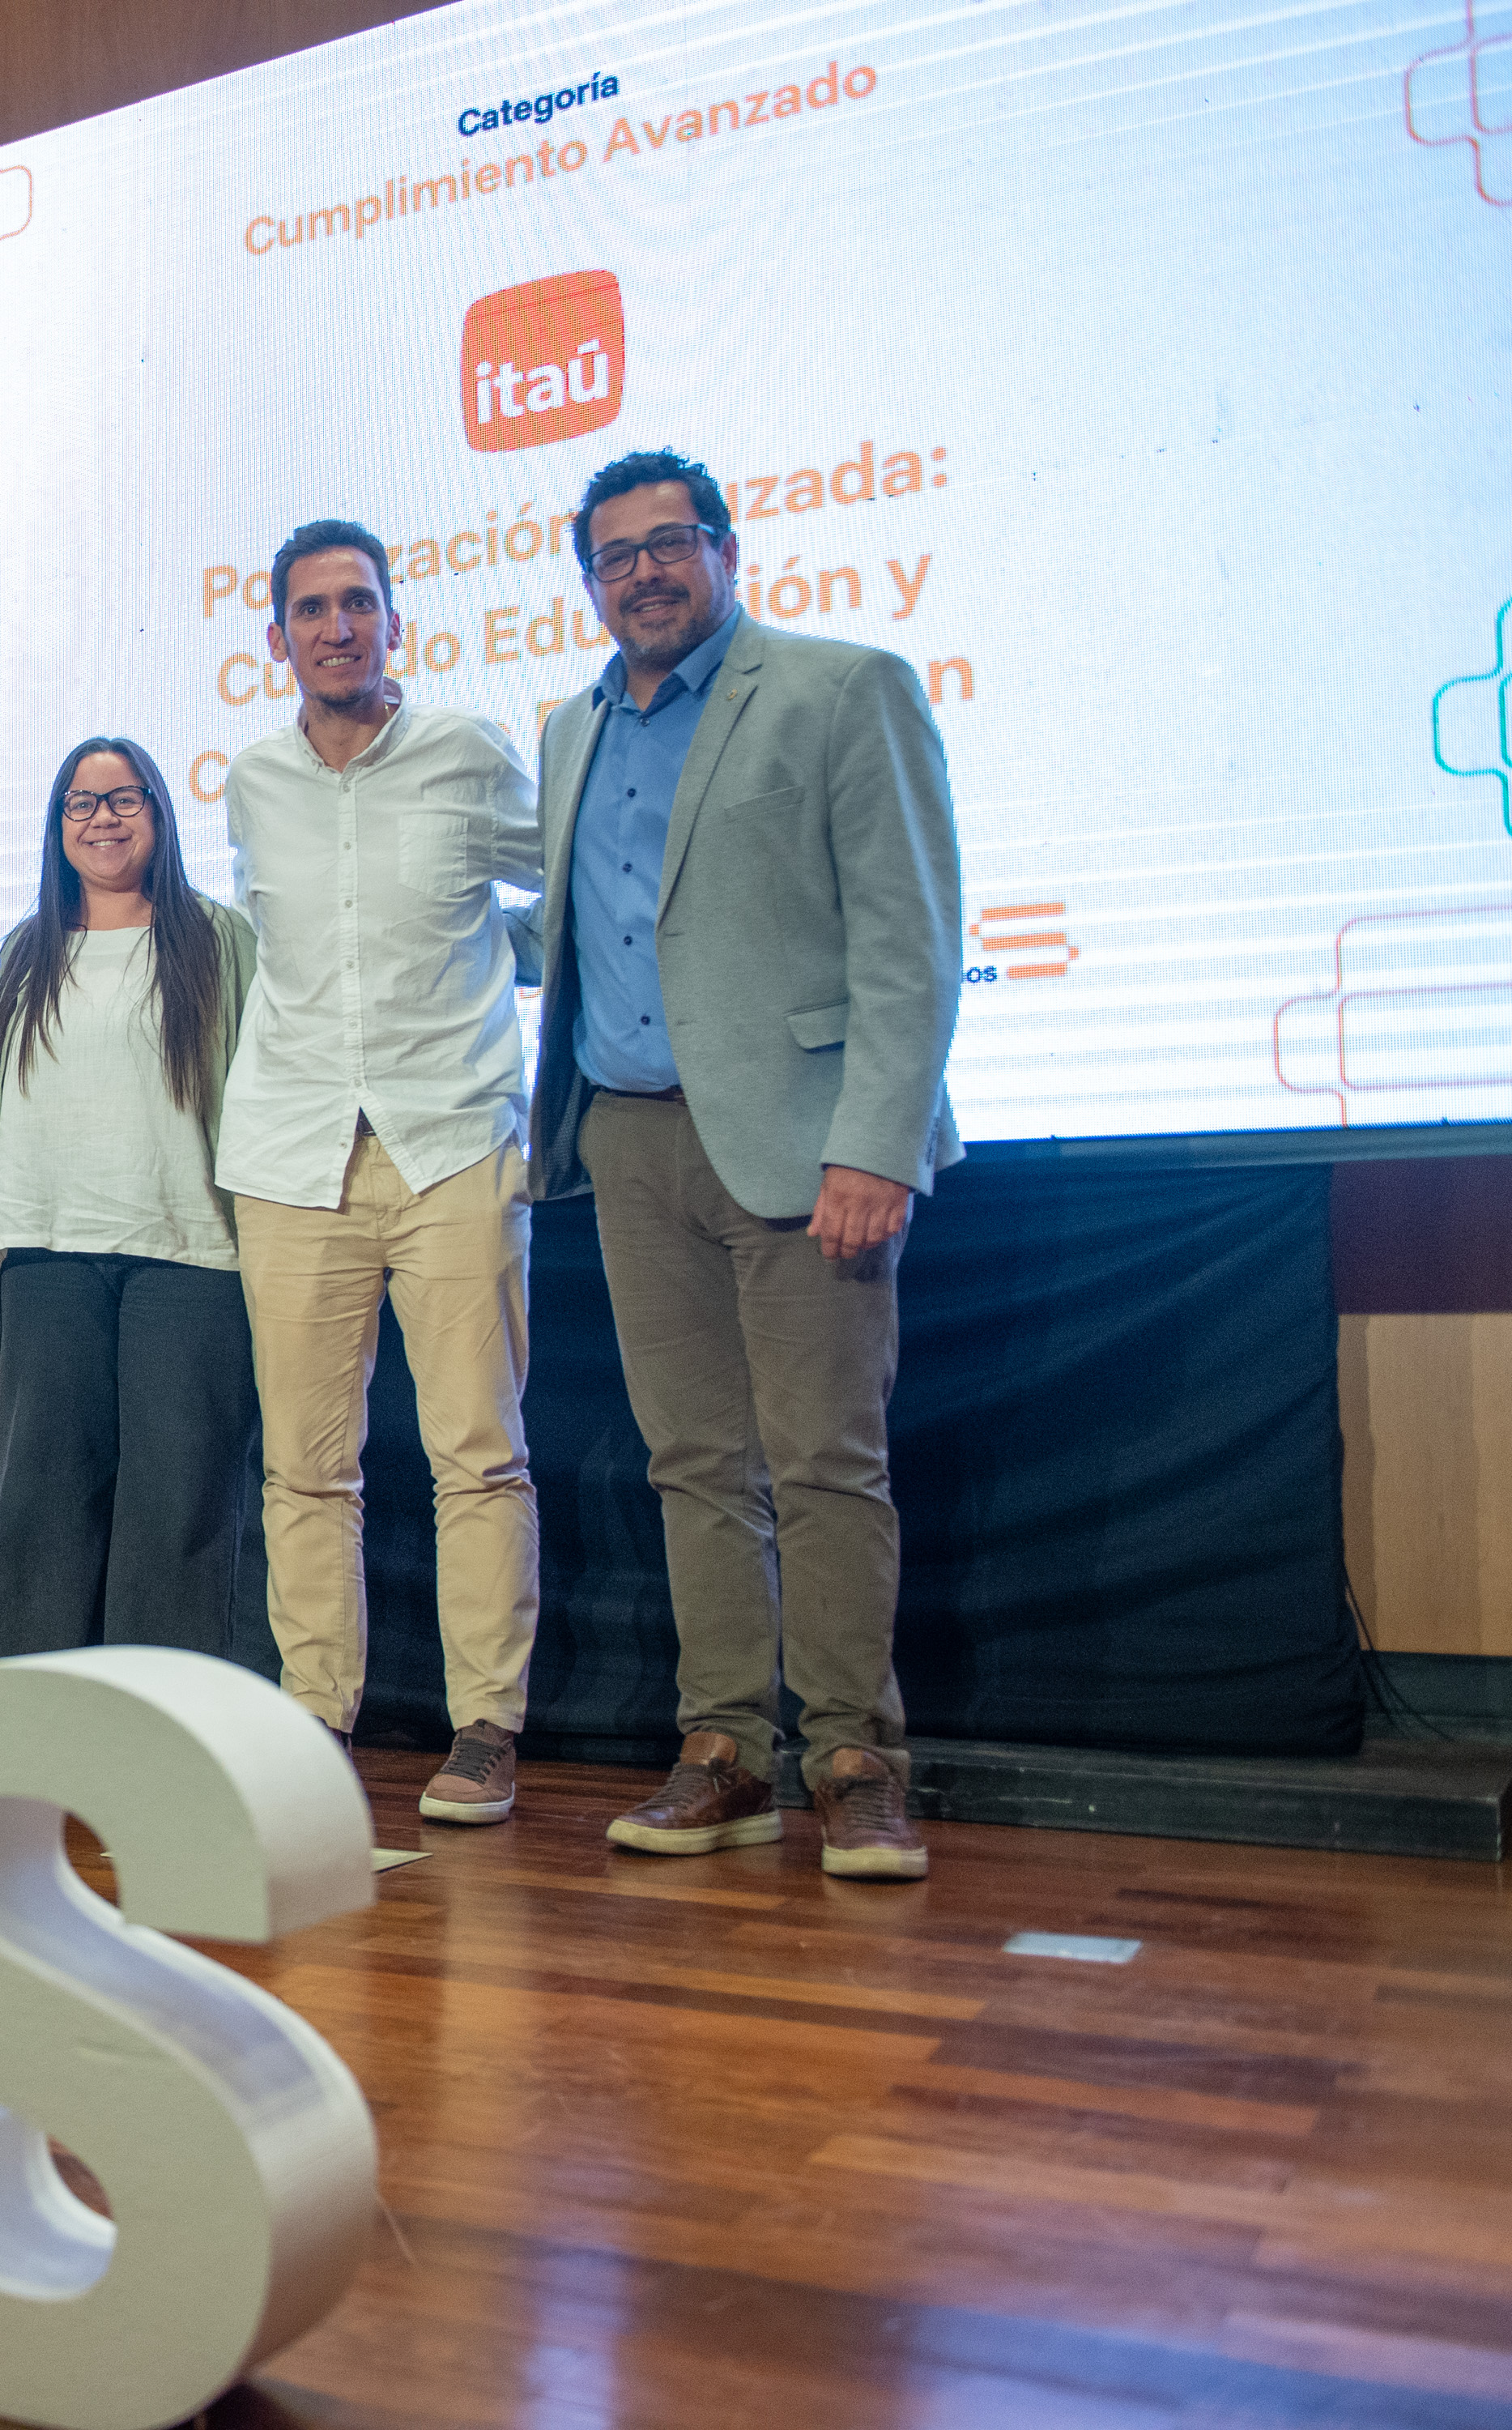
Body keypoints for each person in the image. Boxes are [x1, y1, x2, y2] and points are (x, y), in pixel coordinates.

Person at [529, 448, 965, 1881]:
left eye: (667, 544)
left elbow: (906, 940)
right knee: (690, 1463)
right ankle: (723, 1749)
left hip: (804, 1143)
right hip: (629, 1132)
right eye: (614, 556)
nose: (642, 572)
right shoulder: (566, 728)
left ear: (723, 547)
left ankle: (851, 1755)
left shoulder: (841, 688)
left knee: (824, 1459)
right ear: (588, 579)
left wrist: (874, 1142)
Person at [220, 519, 547, 1826]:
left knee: (475, 1453)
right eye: (310, 608)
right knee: (304, 1465)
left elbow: (560, 891)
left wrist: (493, 981)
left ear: (393, 622)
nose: (336, 627)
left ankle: (483, 1727)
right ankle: (314, 1718)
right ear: (277, 639)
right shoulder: (250, 780)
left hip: (450, 1138)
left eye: (358, 603)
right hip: (291, 1155)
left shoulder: (468, 754)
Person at [0, 736, 263, 1664]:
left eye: (123, 799)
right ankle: (38, 1708)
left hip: (192, 1254)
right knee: (45, 1497)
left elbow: (258, 1089)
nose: (103, 818)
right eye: (81, 804)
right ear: (57, 830)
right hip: (49, 1251)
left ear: (161, 816)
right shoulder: (25, 948)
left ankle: (162, 1717)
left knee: (177, 1501)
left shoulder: (219, 937)